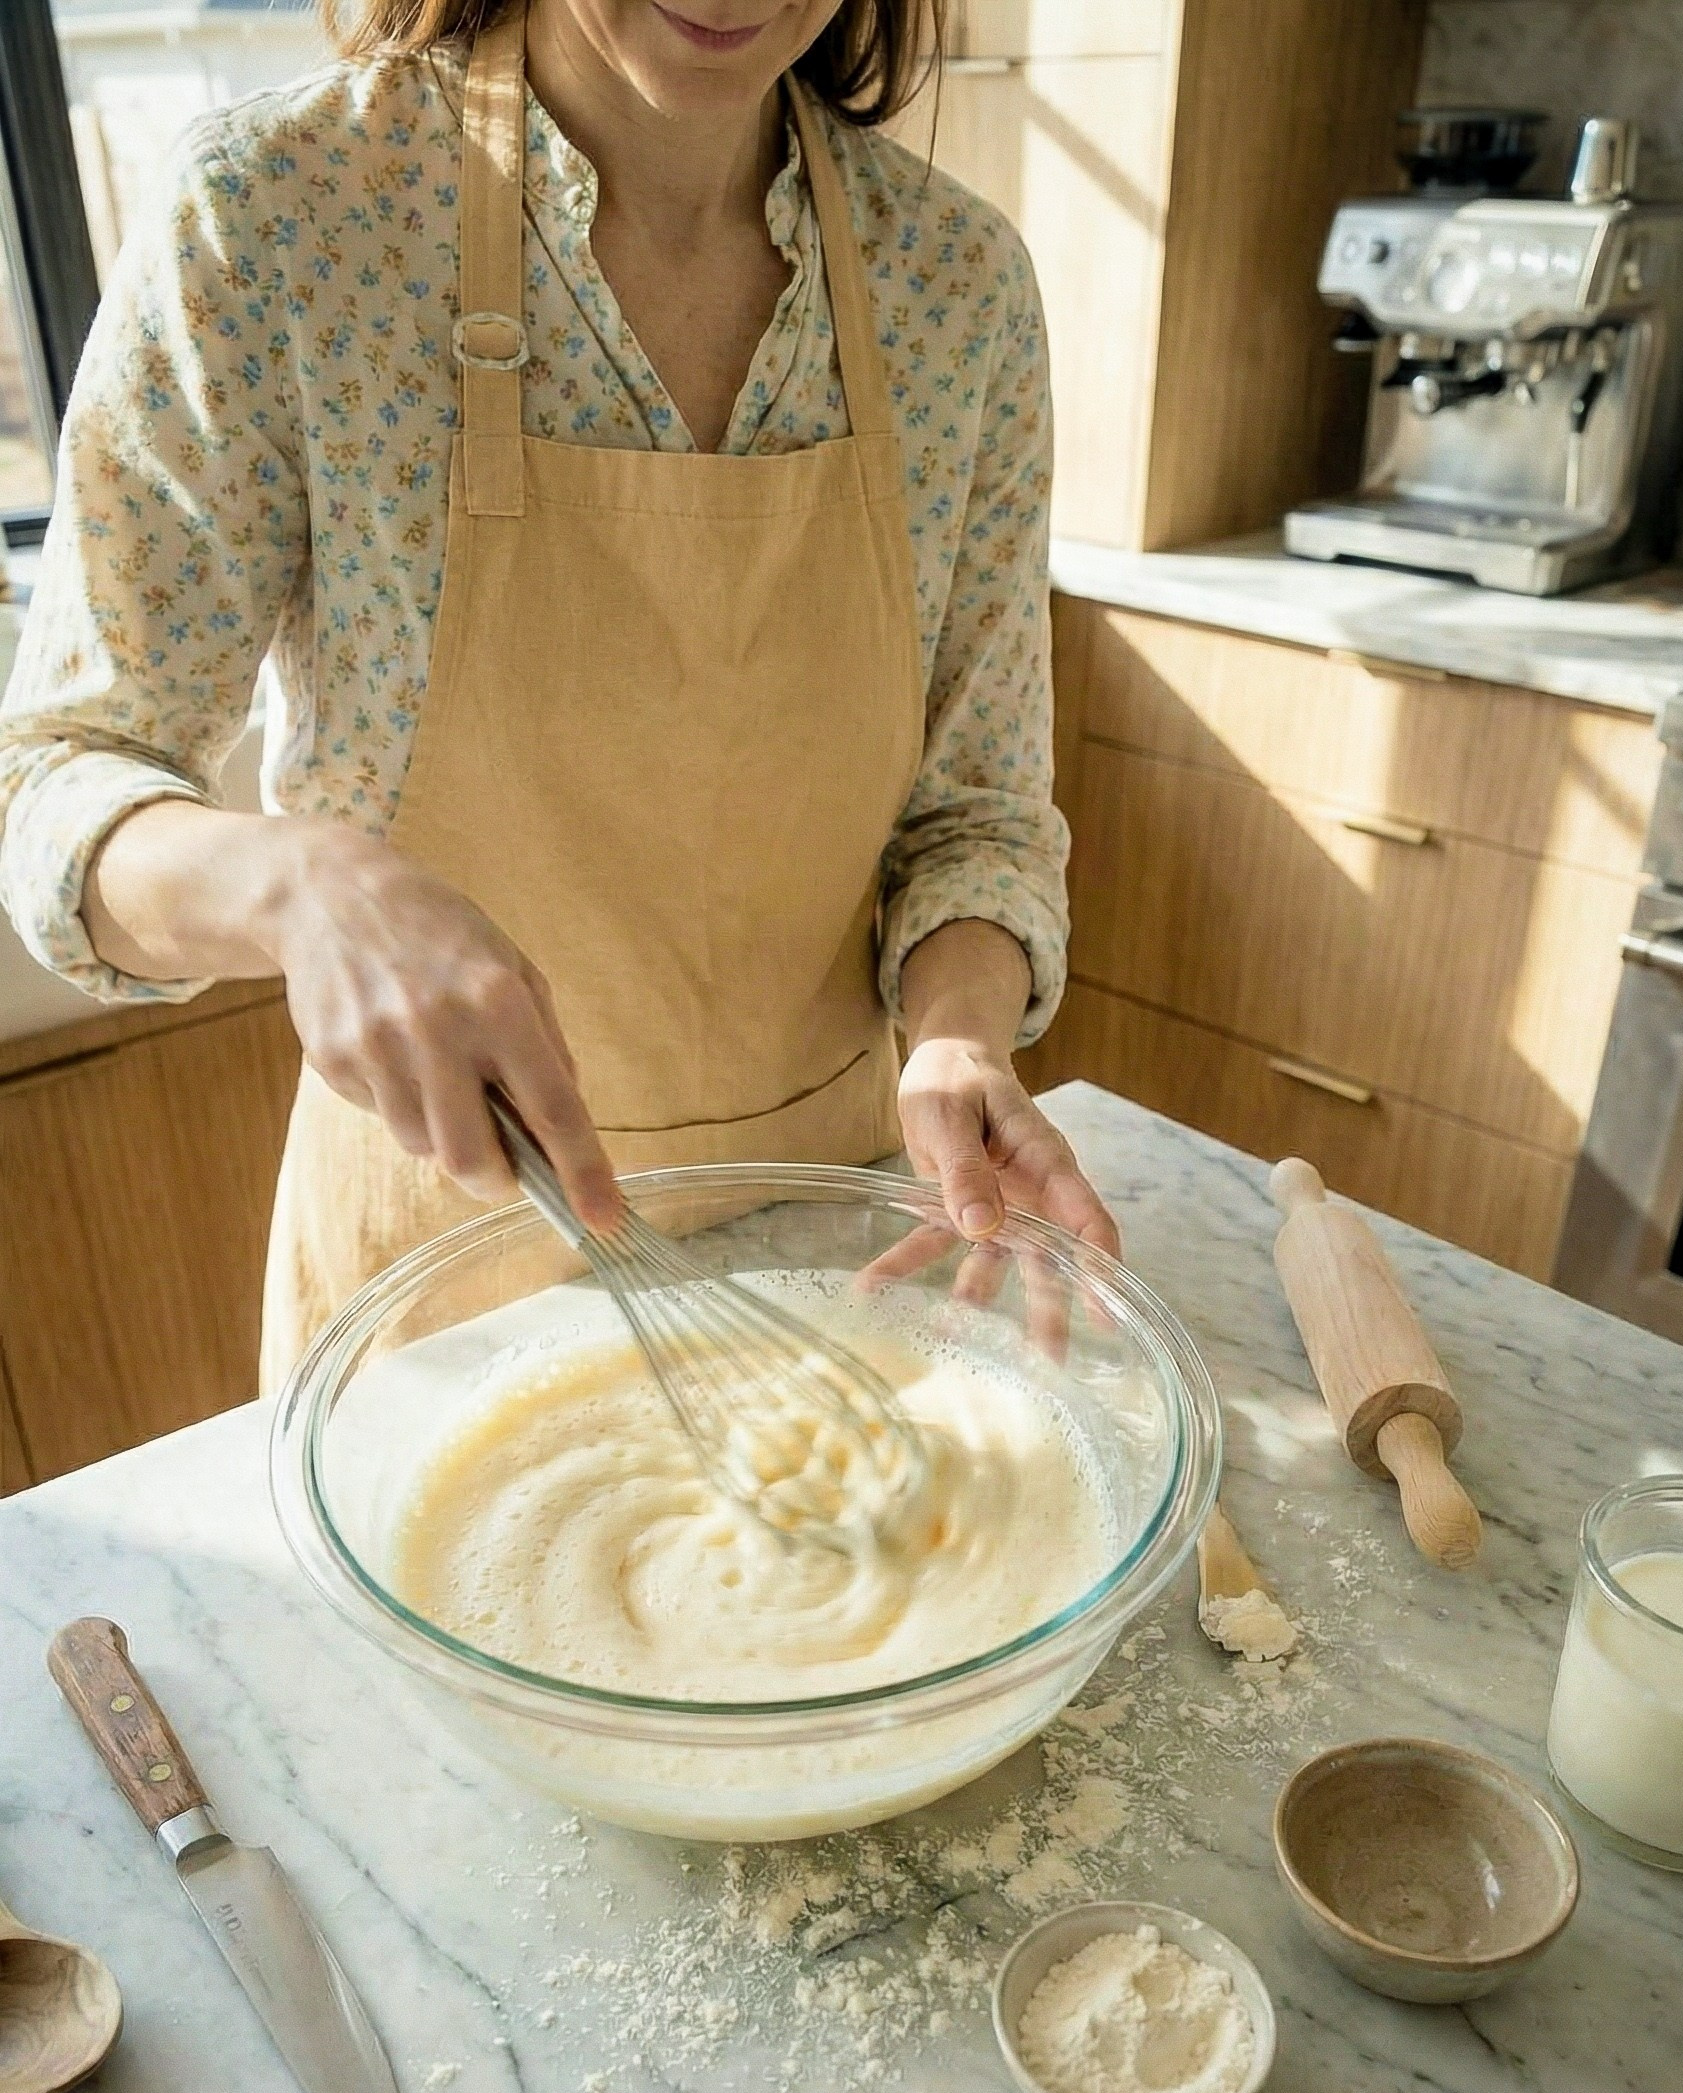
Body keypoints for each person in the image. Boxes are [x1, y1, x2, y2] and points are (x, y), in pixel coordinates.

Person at [0, 0, 1116, 1382]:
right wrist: (297, 887)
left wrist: (958, 1043)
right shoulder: (284, 217)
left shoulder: (956, 287)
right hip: (442, 1290)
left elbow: (978, 820)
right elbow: (56, 782)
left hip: (843, 1255)